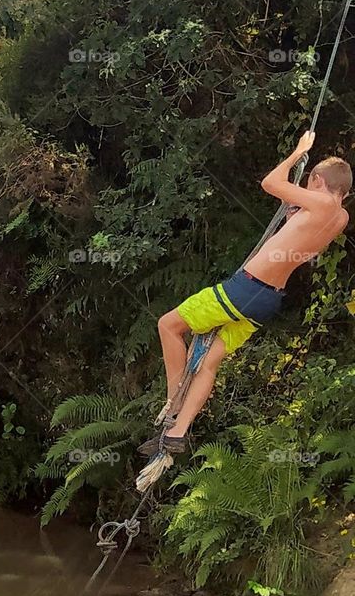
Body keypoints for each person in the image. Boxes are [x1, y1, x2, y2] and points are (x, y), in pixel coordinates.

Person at [144, 131, 350, 458]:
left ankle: (173, 403)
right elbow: (299, 232)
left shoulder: (322, 201)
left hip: (246, 289)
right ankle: (177, 431)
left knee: (168, 325)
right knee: (209, 363)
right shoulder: (340, 217)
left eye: (310, 183)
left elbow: (270, 183)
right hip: (267, 301)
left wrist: (298, 152)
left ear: (317, 180)